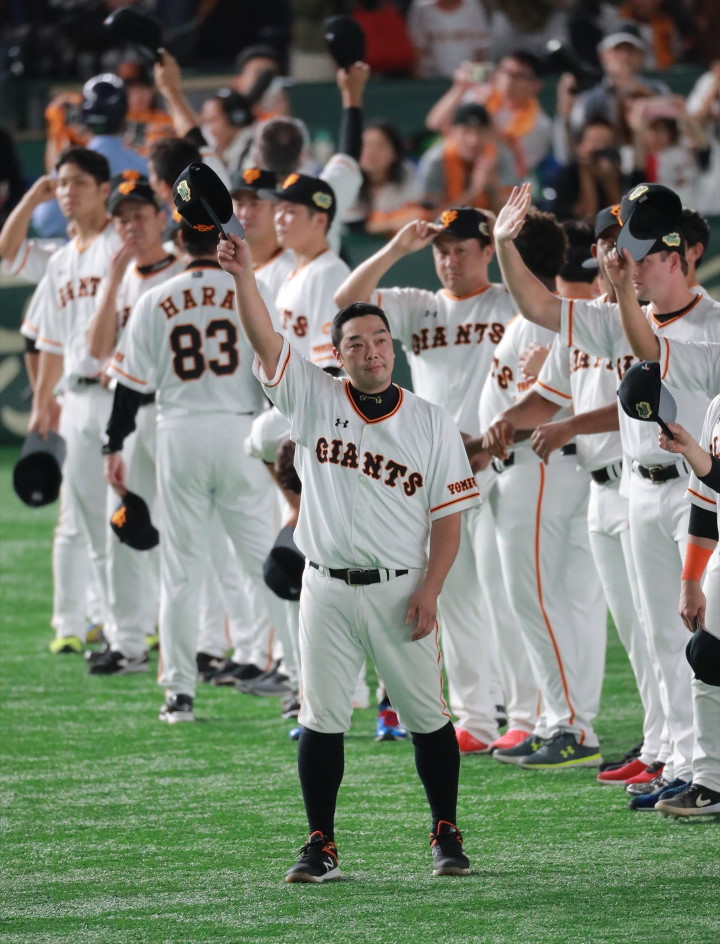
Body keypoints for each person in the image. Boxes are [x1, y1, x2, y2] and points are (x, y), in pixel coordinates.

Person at [217, 233, 482, 882]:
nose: (372, 352)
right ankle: (320, 844)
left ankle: (446, 832)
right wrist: (245, 278)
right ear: (337, 356)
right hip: (327, 589)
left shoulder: (431, 421)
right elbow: (266, 341)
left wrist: (431, 589)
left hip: (401, 589)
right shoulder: (314, 396)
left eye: (381, 340)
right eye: (357, 343)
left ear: (395, 347)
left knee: (428, 718)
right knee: (322, 720)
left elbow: (449, 521)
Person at [491, 181, 720, 807]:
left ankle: (704, 768)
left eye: (641, 257)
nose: (629, 267)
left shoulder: (709, 322)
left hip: (700, 493)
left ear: (676, 255)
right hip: (638, 487)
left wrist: (620, 296)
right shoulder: (623, 312)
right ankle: (679, 760)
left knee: (703, 637)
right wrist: (504, 244)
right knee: (657, 637)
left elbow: (651, 351)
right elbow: (539, 307)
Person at [484, 208, 665, 784]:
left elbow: (646, 402)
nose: (613, 255)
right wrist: (503, 424)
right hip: (601, 486)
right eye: (605, 246)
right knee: (634, 629)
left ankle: (681, 752)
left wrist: (569, 426)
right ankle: (661, 742)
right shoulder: (589, 320)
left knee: (659, 627)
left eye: (622, 244)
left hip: (648, 478)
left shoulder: (658, 319)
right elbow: (545, 392)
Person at [335, 206, 516, 753]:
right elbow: (348, 303)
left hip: (501, 463)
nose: (449, 259)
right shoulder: (421, 306)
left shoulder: (509, 302)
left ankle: (526, 713)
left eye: (461, 249)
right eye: (442, 250)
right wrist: (397, 248)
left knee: (508, 597)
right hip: (436, 470)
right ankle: (477, 718)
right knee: (454, 601)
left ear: (487, 251)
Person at [103, 216, 284, 723]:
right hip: (241, 429)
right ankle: (296, 679)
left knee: (181, 571)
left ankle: (179, 693)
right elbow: (277, 366)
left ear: (180, 240)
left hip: (178, 431)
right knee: (265, 563)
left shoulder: (155, 297)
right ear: (222, 240)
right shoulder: (253, 287)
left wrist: (112, 444)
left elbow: (128, 387)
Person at [478, 208, 607, 770]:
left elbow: (552, 407)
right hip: (551, 471)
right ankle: (566, 719)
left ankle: (569, 724)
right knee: (564, 604)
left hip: (539, 469)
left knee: (537, 602)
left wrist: (478, 442)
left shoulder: (543, 321)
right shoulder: (538, 319)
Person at [84, 172, 184, 675]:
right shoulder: (119, 278)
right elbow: (97, 348)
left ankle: (195, 641)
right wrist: (112, 281)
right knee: (123, 525)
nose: (130, 227)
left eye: (139, 216)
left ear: (161, 218)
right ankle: (127, 641)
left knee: (184, 530)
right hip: (126, 416)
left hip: (173, 413)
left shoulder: (184, 271)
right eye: (121, 219)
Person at [26, 147, 120, 654]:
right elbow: (50, 343)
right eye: (62, 183)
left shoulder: (119, 245)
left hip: (121, 396)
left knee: (125, 512)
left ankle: (123, 622)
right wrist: (42, 403)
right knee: (82, 515)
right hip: (77, 398)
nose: (68, 192)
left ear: (104, 189)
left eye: (79, 182)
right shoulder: (61, 261)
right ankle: (100, 622)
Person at [266, 173, 350, 370]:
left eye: (290, 211)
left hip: (319, 388)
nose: (278, 219)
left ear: (319, 220)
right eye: (278, 210)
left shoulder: (328, 273)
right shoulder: (296, 273)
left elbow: (330, 364)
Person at [426, 52, 552, 178]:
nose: (508, 80)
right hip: (458, 170)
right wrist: (460, 88)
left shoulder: (540, 124)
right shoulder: (481, 95)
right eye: (505, 72)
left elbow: (516, 166)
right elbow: (436, 123)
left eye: (518, 76)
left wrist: (486, 114)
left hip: (500, 179)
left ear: (536, 85)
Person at [418, 103, 516, 213]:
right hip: (448, 223)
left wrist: (493, 190)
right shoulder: (436, 160)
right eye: (466, 131)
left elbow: (513, 213)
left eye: (480, 132)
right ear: (452, 132)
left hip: (492, 221)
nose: (473, 140)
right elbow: (431, 215)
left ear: (489, 133)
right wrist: (474, 192)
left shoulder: (500, 156)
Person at [345, 121, 424, 236]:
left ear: (395, 153)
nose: (370, 152)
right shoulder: (347, 177)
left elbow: (417, 213)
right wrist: (390, 224)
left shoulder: (406, 172)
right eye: (365, 145)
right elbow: (350, 224)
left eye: (380, 146)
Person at [407, 0, 490, 79]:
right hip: (431, 80)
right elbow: (417, 47)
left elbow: (480, 48)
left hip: (466, 80)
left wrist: (478, 80)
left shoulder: (473, 5)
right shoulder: (421, 6)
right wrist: (419, 80)